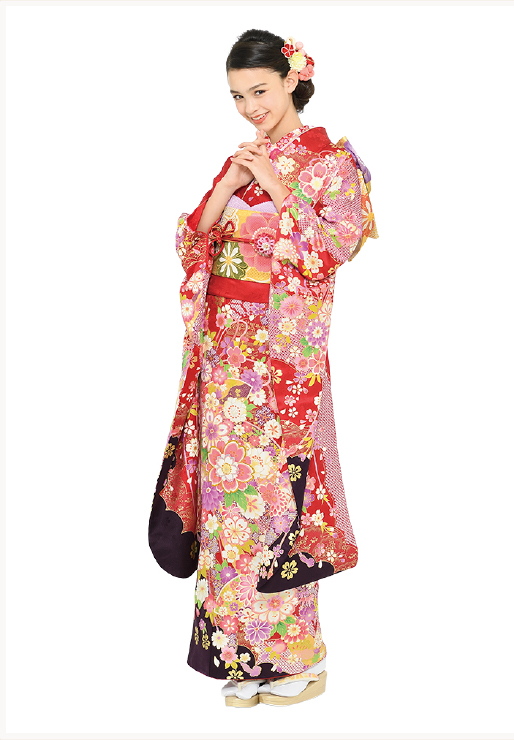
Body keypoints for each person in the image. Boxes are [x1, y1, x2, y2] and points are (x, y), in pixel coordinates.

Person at [148, 28, 379, 708]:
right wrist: (231, 183)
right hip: (223, 354)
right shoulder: (242, 158)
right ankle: (241, 657)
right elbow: (194, 242)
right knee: (227, 506)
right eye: (237, 96)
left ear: (291, 81)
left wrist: (276, 185)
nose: (251, 108)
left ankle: (299, 660)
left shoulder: (332, 164)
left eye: (260, 91)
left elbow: (334, 247)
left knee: (278, 505)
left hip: (278, 362)